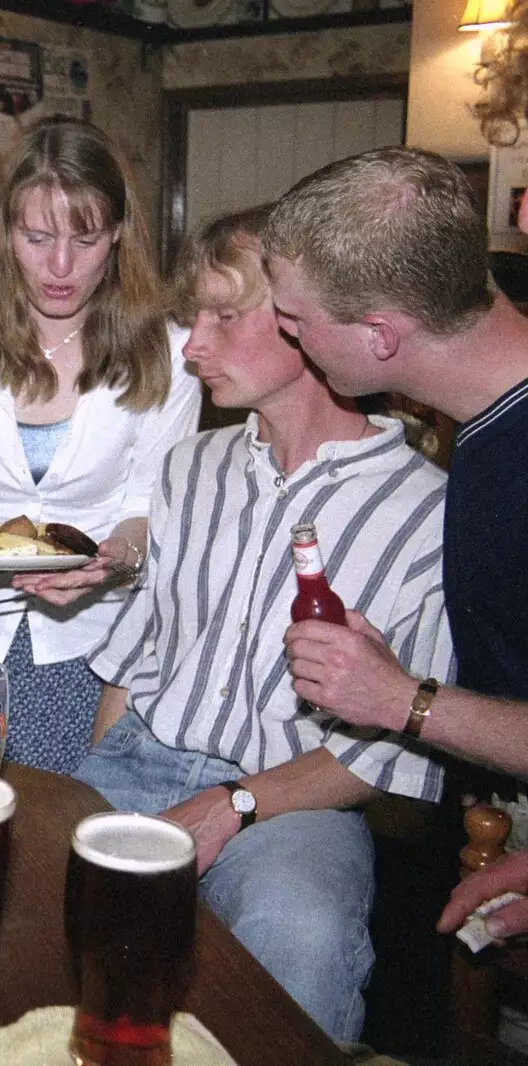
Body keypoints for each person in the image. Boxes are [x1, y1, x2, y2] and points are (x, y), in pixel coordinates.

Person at [78, 204, 451, 1042]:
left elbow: (395, 746)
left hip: (300, 799)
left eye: (223, 316)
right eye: (191, 317)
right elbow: (136, 658)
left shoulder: (426, 512)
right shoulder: (189, 467)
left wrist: (236, 802)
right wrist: (100, 773)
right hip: (141, 763)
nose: (192, 345)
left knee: (302, 937)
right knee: (40, 910)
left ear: (304, 326)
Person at [261, 147, 528, 943]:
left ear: (380, 335)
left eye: (295, 320)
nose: (284, 334)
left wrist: (402, 701)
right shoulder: (482, 419)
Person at [0, 117, 201, 774]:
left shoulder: (170, 351)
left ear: (118, 233)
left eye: (85, 239)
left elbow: (153, 498)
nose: (60, 267)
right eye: (36, 238)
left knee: (56, 832)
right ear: (5, 233)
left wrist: (120, 556)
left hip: (90, 642)